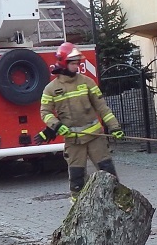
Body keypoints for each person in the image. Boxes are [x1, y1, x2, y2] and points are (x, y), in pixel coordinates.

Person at [38, 42, 124, 201]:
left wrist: (114, 127)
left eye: (77, 62)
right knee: (77, 178)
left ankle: (118, 201)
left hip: (95, 137)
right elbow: (45, 112)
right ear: (63, 62)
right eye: (73, 62)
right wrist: (57, 126)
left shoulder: (87, 82)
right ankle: (77, 208)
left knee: (108, 170)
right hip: (73, 141)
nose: (76, 65)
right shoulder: (50, 89)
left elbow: (101, 107)